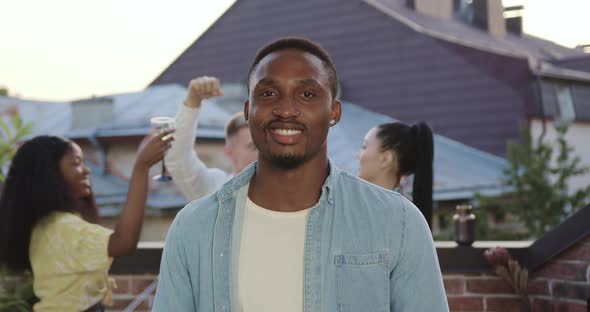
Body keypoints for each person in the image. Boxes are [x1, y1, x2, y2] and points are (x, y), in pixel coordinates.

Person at [153, 37, 448, 311]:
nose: (285, 109)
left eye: (307, 94)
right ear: (248, 110)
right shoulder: (194, 228)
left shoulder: (398, 223)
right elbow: (179, 163)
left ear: (334, 112)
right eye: (268, 93)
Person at [0, 130, 174, 311]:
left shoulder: (48, 225)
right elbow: (124, 242)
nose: (86, 170)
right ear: (49, 175)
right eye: (76, 163)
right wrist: (141, 167)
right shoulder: (61, 228)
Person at [165, 76, 258, 200]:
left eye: (263, 145)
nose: (261, 153)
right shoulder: (214, 188)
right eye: (252, 146)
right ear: (230, 152)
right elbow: (178, 160)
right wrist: (192, 102)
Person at [357, 121, 434, 228]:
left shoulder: (399, 214)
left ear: (386, 159)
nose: (357, 156)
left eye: (364, 147)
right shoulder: (405, 211)